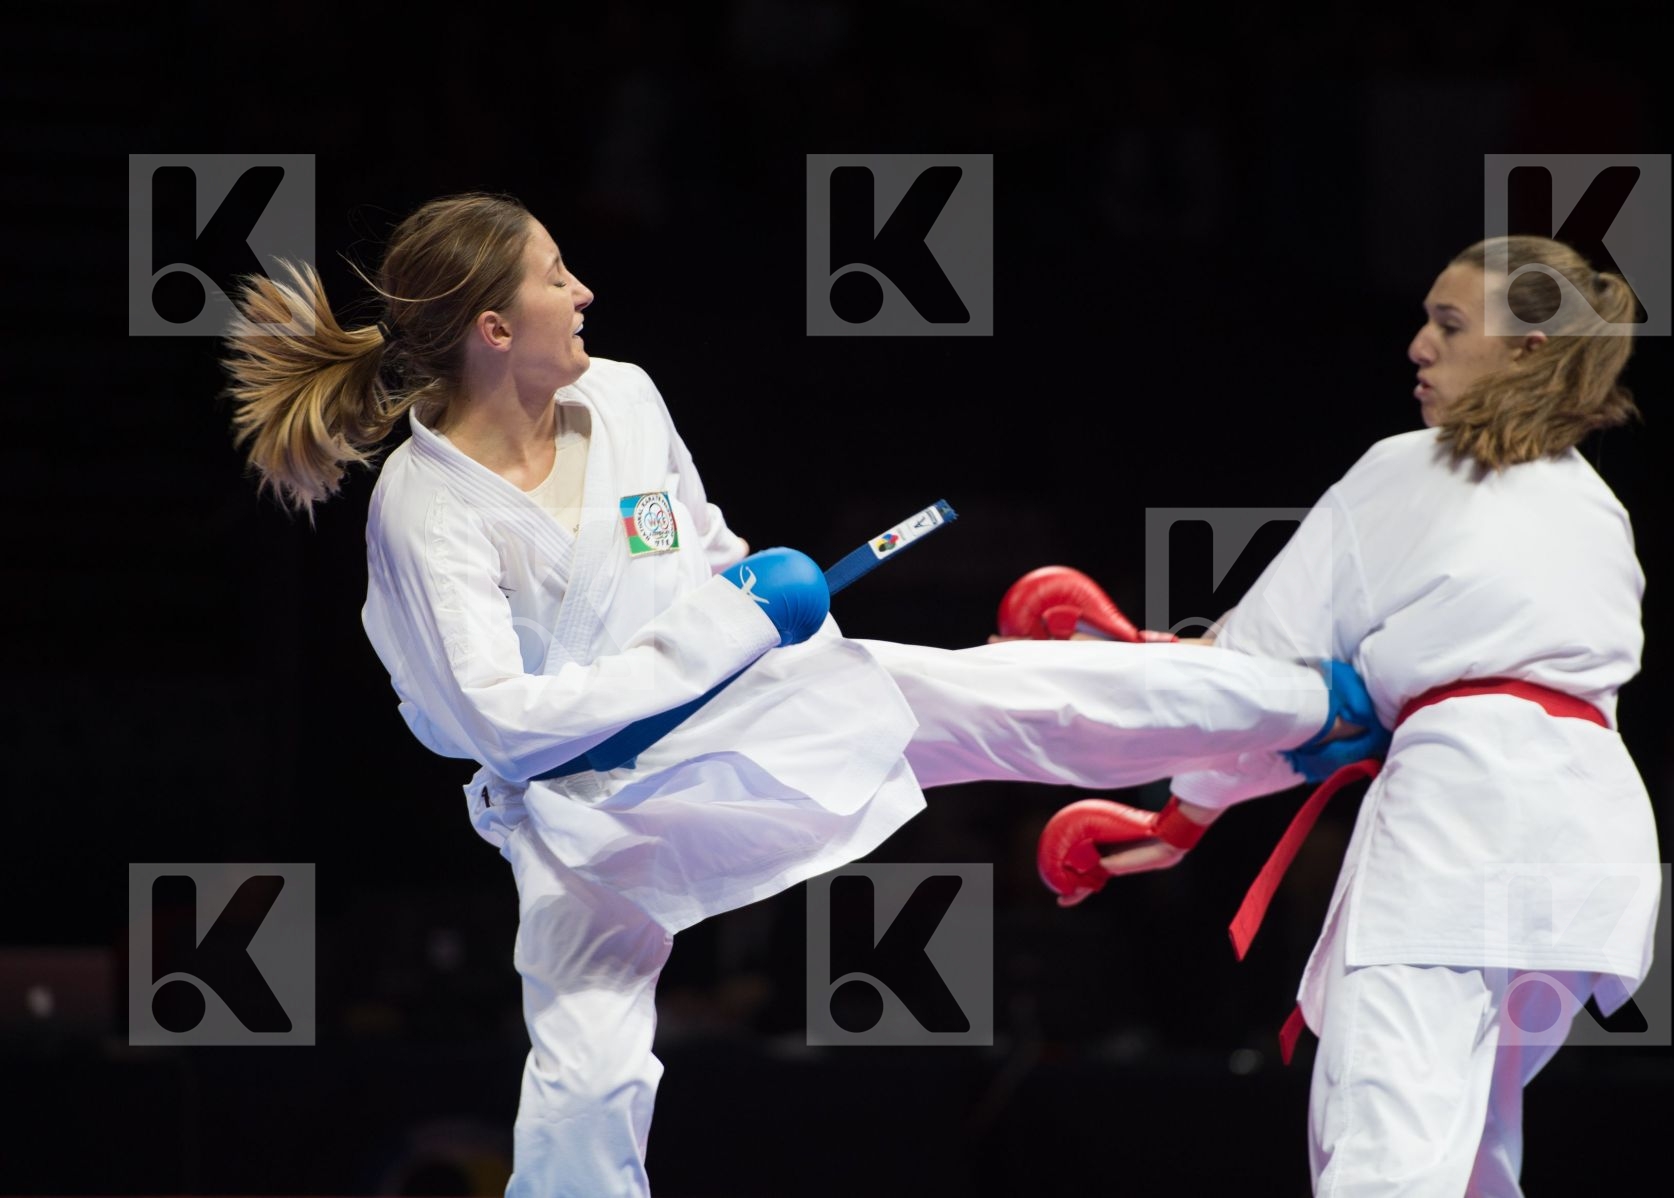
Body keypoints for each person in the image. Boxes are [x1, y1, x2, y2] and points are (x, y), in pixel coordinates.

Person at [221, 191, 1380, 1197]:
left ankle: (1304, 705)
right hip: (585, 812)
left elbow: (698, 542)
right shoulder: (427, 512)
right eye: (554, 275)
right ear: (492, 328)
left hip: (752, 704)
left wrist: (753, 585)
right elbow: (503, 720)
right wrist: (726, 622)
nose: (582, 290)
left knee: (1016, 693)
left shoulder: (622, 397)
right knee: (588, 1076)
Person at [1039, 235, 1660, 1196]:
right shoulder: (1600, 504)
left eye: (1450, 325)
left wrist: (1177, 818)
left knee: (1384, 1155)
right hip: (1590, 851)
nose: (1418, 345)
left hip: (1460, 822)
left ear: (1529, 350)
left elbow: (1259, 673)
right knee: (1476, 1161)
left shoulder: (1409, 467)